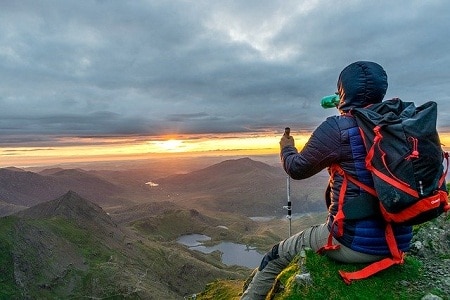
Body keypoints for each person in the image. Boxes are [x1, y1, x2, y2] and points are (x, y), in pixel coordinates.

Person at [240, 61, 413, 299]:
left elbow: (297, 169)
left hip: (354, 244)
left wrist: (287, 148)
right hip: (401, 238)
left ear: (343, 91)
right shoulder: (401, 124)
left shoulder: (338, 128)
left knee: (276, 255)